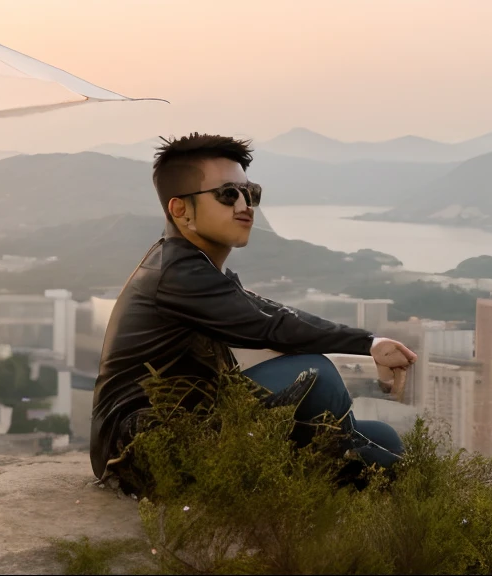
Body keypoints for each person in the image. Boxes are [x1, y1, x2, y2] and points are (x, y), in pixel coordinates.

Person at [91, 133, 418, 493]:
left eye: (251, 193)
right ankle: (340, 478)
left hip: (192, 425)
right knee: (318, 375)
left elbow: (270, 311)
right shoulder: (177, 273)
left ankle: (345, 473)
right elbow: (272, 327)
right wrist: (366, 344)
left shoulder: (194, 268)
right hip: (144, 448)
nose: (245, 204)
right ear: (180, 209)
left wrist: (371, 342)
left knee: (382, 436)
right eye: (228, 194)